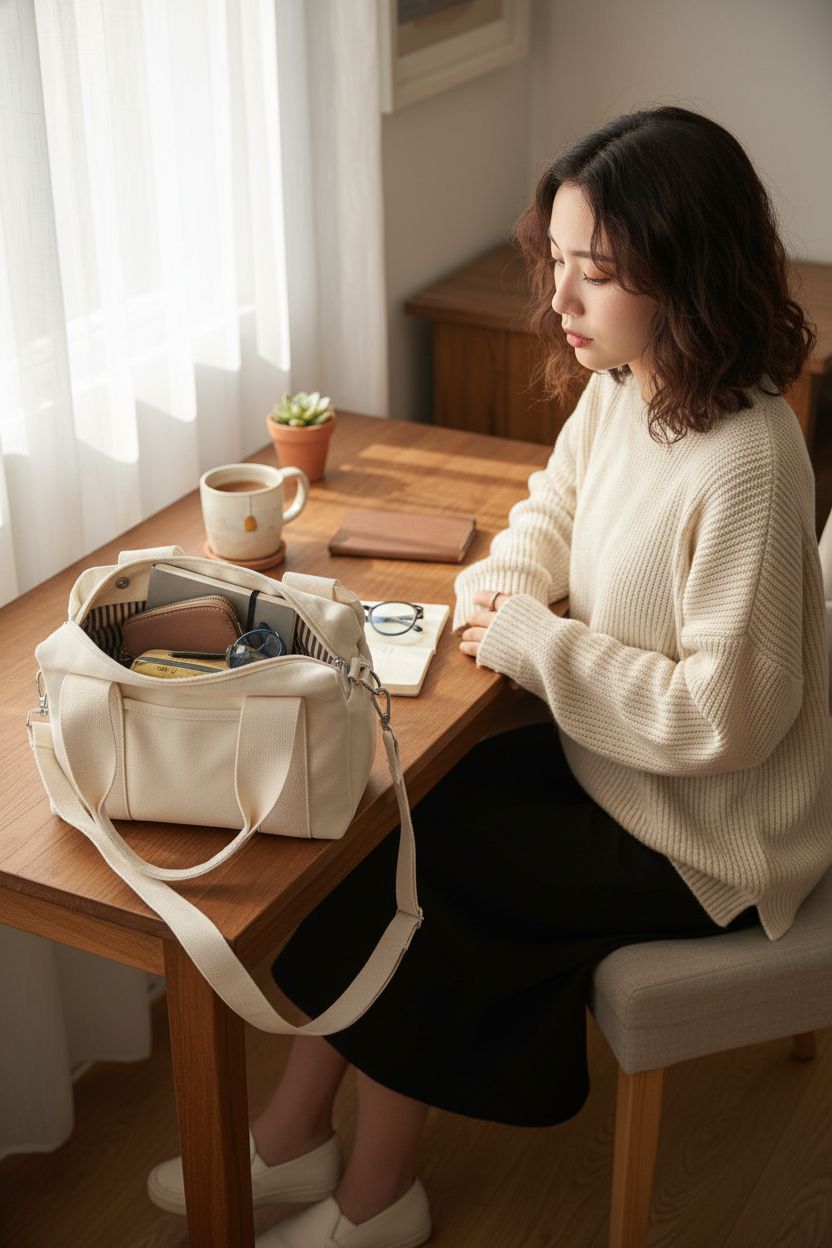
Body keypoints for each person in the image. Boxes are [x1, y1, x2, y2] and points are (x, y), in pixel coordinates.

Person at [147, 106, 832, 1248]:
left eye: (595, 274)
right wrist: (497, 587)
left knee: (435, 882)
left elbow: (734, 721)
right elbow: (548, 514)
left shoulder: (748, 463)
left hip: (712, 834)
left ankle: (373, 1201)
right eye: (557, 264)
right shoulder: (628, 383)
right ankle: (294, 1135)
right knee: (394, 823)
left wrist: (535, 643)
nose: (560, 302)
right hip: (621, 768)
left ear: (685, 269)